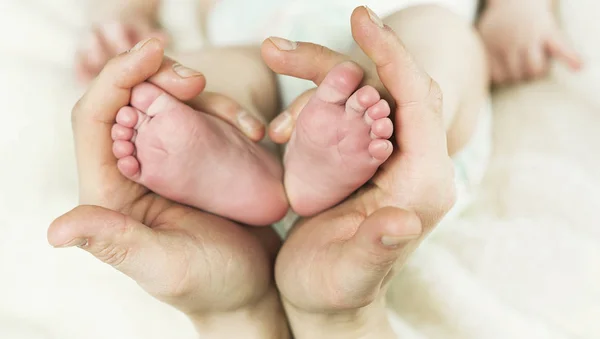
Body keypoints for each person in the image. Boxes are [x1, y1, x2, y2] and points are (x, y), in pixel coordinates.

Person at [51, 6, 458, 338]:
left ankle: (268, 154)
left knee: (432, 36)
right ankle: (230, 156)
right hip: (260, 49)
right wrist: (123, 17)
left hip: (404, 124)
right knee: (209, 79)